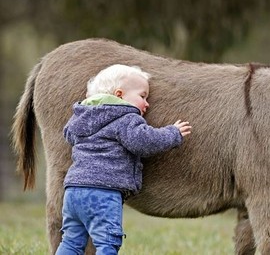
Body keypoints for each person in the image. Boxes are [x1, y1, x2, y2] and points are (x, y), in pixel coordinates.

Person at [56, 64, 191, 254]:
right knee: (107, 244)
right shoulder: (126, 118)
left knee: (71, 242)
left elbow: (69, 134)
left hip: (73, 191)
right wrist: (172, 133)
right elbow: (144, 142)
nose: (147, 103)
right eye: (142, 96)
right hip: (103, 193)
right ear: (119, 94)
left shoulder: (80, 117)